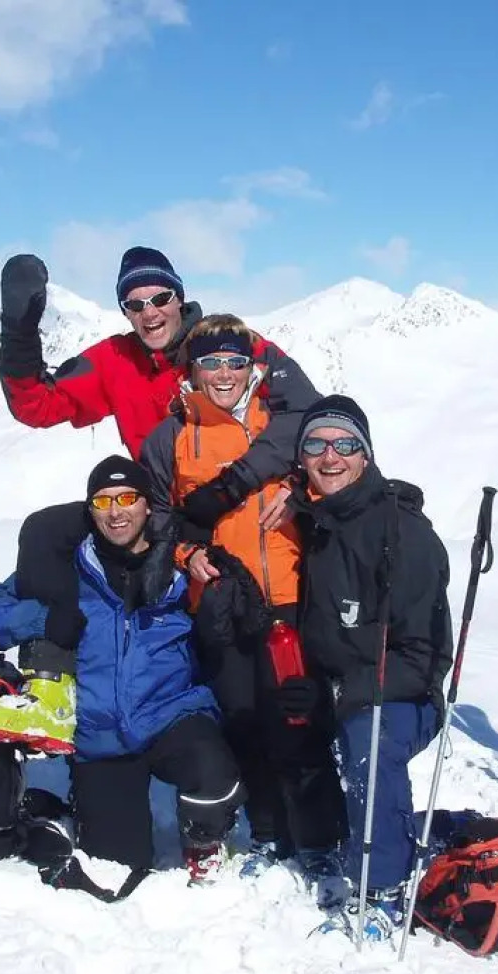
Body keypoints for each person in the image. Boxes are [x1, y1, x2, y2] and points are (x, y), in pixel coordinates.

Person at [0, 247, 322, 733]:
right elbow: (37, 405)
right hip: (158, 509)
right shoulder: (115, 359)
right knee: (46, 531)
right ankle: (50, 680)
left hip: (238, 505)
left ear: (179, 298)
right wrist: (19, 330)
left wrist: (248, 482)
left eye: (160, 298)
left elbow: (311, 414)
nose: (149, 313)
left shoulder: (224, 346)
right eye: (135, 304)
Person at [139, 314, 347, 903]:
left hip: (291, 598)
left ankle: (319, 839)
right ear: (193, 371)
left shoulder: (282, 424)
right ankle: (268, 831)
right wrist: (187, 555)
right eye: (212, 363)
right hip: (221, 605)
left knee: (299, 721)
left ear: (252, 368)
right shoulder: (169, 438)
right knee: (244, 720)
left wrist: (298, 494)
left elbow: (332, 475)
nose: (225, 374)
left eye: (235, 362)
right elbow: (157, 521)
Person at [0, 455, 242, 885]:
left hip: (171, 715)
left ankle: (203, 843)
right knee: (115, 860)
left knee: (212, 771)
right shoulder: (66, 568)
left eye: (127, 498)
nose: (116, 512)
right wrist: (44, 619)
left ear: (147, 506)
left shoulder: (179, 567)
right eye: (103, 501)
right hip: (99, 734)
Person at [288, 395, 453, 936]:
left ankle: (383, 884)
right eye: (316, 444)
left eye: (344, 444)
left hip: (403, 695)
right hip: (338, 684)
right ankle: (324, 838)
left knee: (369, 742)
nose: (330, 456)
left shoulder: (403, 536)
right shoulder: (314, 519)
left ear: (365, 455)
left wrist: (339, 694)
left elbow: (423, 658)